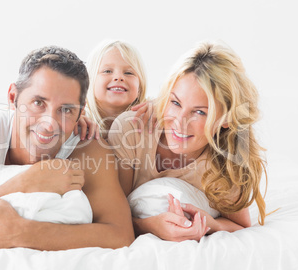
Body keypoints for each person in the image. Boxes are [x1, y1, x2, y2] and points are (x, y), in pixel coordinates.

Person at [0, 46, 134, 250]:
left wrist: (22, 233)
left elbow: (120, 234)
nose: (49, 123)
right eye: (38, 103)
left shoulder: (88, 148)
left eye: (66, 110)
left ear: (80, 113)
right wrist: (25, 182)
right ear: (13, 98)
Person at [108, 41, 267, 242]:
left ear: (226, 119)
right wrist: (149, 226)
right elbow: (113, 216)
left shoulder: (226, 164)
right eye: (175, 102)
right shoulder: (131, 130)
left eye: (200, 112)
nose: (180, 122)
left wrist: (211, 224)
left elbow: (241, 225)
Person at [85, 40, 148, 139]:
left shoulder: (149, 118)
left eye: (128, 73)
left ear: (140, 86)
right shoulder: (79, 120)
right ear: (90, 80)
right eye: (107, 71)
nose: (118, 77)